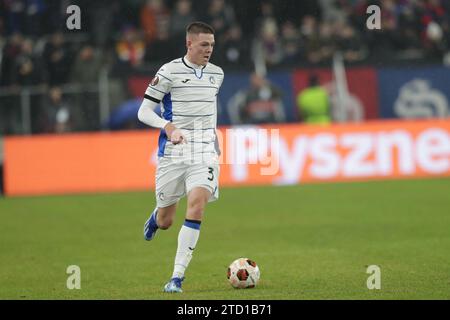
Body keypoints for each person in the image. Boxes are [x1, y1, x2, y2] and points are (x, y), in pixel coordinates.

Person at [137, 21, 224, 293]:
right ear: (189, 44)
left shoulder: (217, 74)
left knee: (197, 205)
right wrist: (168, 126)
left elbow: (209, 108)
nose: (209, 50)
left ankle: (176, 277)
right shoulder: (168, 72)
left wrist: (212, 138)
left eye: (211, 45)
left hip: (204, 151)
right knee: (166, 221)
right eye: (203, 44)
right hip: (173, 153)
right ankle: (156, 216)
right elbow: (144, 112)